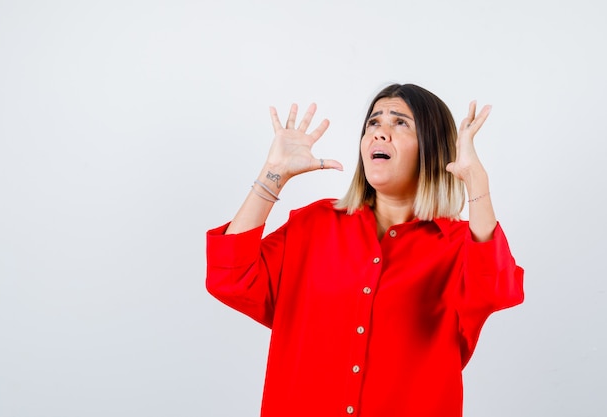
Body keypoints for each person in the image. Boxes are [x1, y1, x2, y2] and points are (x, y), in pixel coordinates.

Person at [205, 83, 524, 417]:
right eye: (373, 122)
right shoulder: (314, 224)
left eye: (400, 123)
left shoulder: (460, 245)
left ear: (432, 148)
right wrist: (273, 175)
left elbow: (496, 289)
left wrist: (476, 183)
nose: (380, 133)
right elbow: (230, 277)